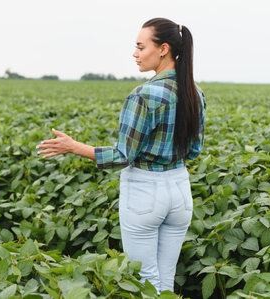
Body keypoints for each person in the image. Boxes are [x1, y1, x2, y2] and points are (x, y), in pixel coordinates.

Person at [36, 17, 206, 294]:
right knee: (165, 277)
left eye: (141, 47)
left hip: (145, 192)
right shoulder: (195, 93)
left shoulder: (143, 95)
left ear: (163, 49)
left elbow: (122, 156)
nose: (135, 54)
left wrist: (73, 146)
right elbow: (195, 150)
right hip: (180, 191)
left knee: (143, 279)